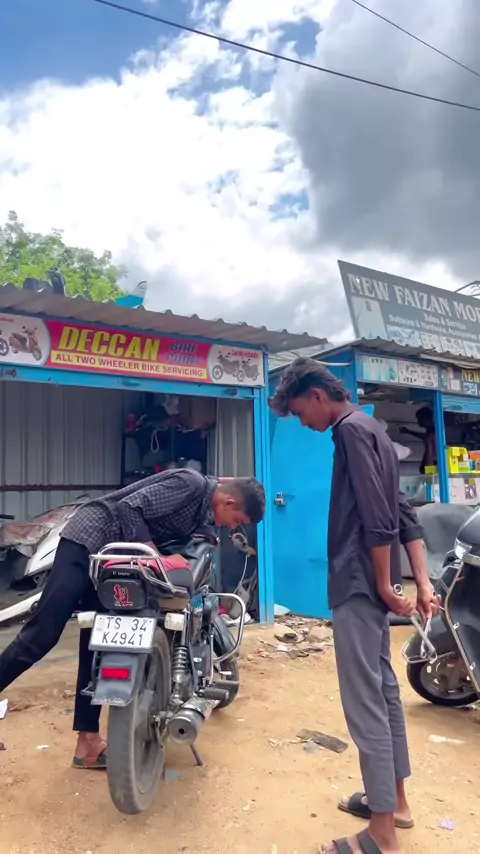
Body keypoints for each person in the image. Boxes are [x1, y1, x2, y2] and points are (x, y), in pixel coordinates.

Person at [269, 358, 437, 854]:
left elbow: (378, 518)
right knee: (383, 692)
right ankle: (395, 803)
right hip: (372, 584)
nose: (303, 423)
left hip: (359, 585)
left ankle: (382, 834)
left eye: (300, 413)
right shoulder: (374, 429)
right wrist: (422, 581)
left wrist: (385, 584)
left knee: (364, 703)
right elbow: (403, 512)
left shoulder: (349, 432)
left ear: (318, 396)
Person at [0, 469, 265, 769]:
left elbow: (195, 537)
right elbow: (130, 508)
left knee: (97, 643)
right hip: (88, 541)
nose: (233, 528)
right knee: (43, 634)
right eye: (237, 520)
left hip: (116, 559)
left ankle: (88, 744)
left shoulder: (205, 509)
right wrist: (156, 557)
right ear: (228, 503)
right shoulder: (190, 485)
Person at [400, 406, 436, 473]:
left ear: (426, 419)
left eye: (419, 419)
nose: (418, 421)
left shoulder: (432, 433)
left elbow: (426, 438)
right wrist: (408, 431)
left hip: (431, 463)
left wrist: (409, 432)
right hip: (431, 463)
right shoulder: (432, 431)